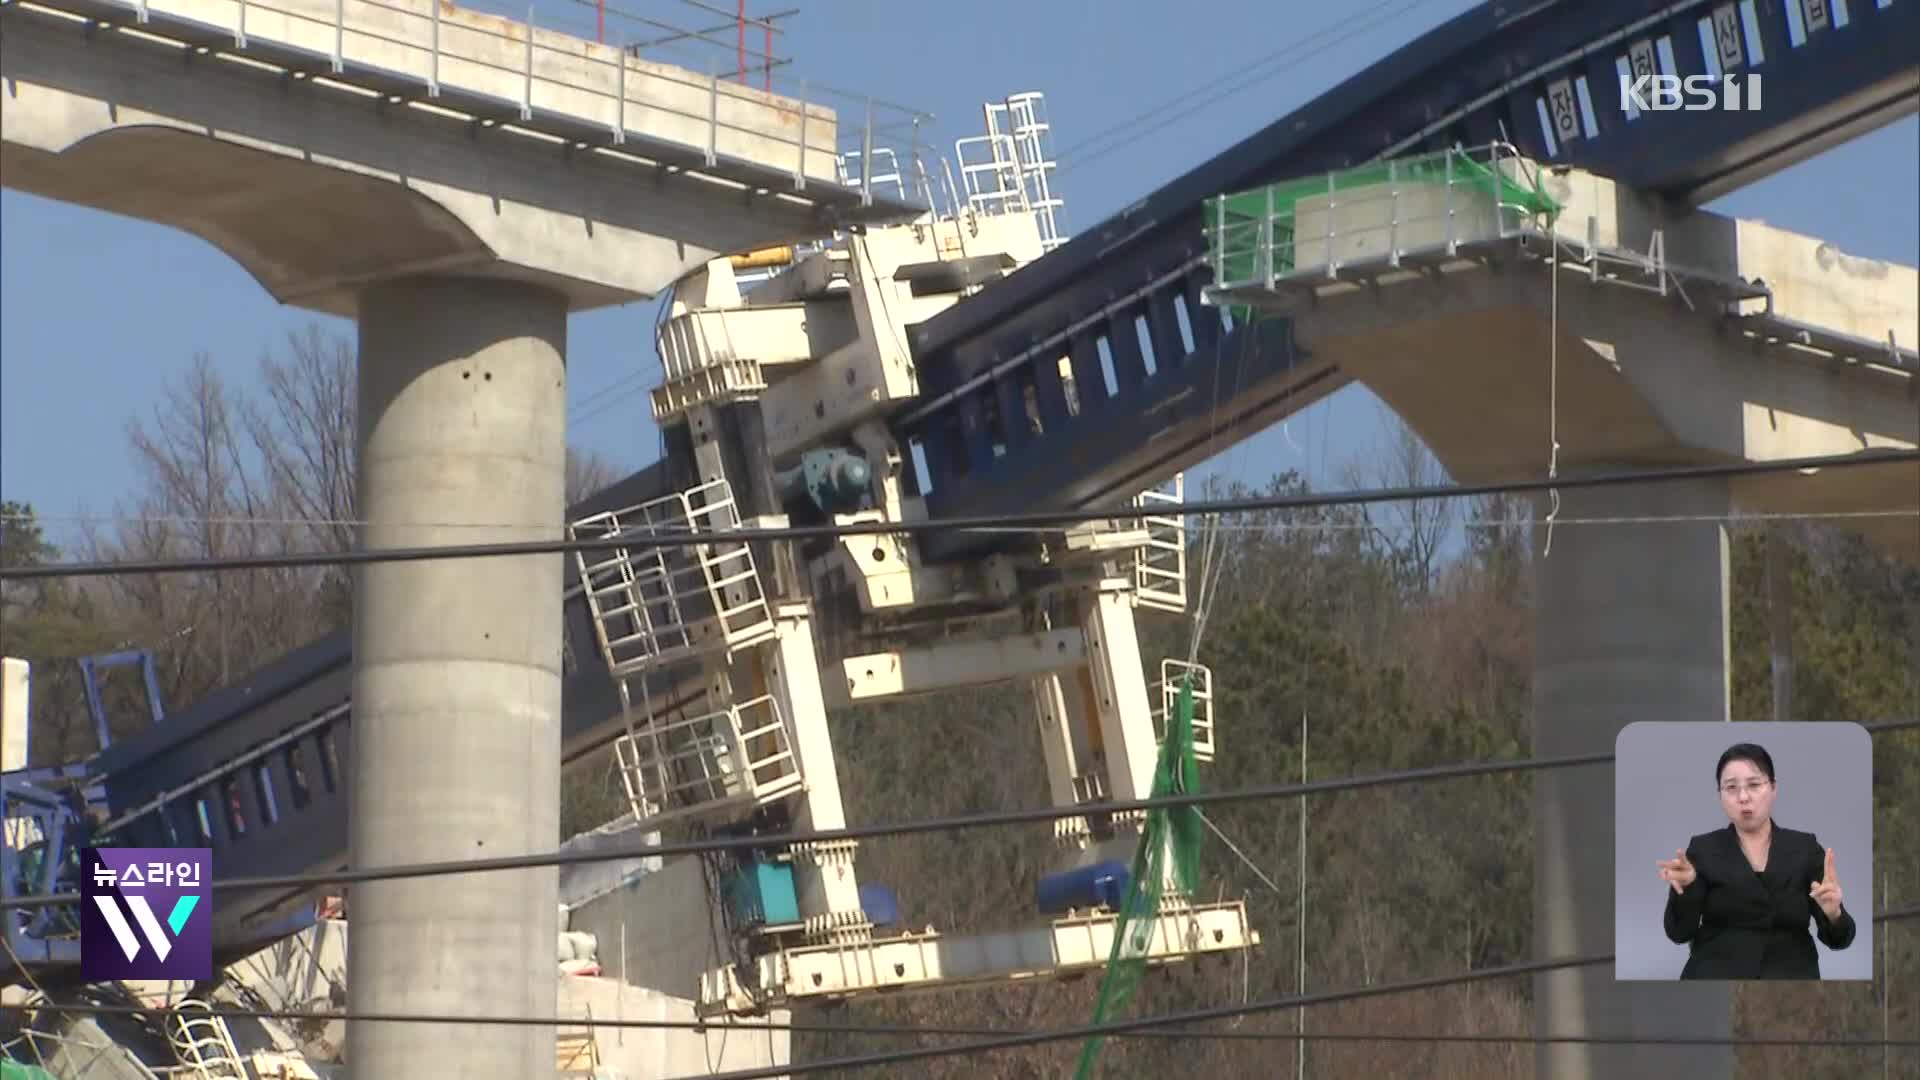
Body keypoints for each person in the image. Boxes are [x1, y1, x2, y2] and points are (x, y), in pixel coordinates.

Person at [1656, 742, 1855, 979]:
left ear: (1773, 788)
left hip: (1790, 980)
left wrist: (1834, 914)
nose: (1743, 797)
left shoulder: (1804, 848)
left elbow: (1840, 940)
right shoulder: (1703, 849)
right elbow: (1678, 933)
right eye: (1731, 787)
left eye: (1754, 785)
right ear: (1719, 795)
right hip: (1716, 975)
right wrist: (1686, 888)